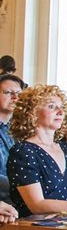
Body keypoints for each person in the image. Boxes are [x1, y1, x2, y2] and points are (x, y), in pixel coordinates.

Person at [8, 84, 67, 218]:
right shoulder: (23, 151)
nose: (61, 112)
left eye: (62, 107)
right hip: (33, 229)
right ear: (32, 112)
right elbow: (37, 205)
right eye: (52, 107)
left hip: (65, 225)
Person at [0, 74, 22, 205]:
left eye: (18, 93)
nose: (15, 97)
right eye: (8, 92)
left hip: (19, 203)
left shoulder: (22, 129)